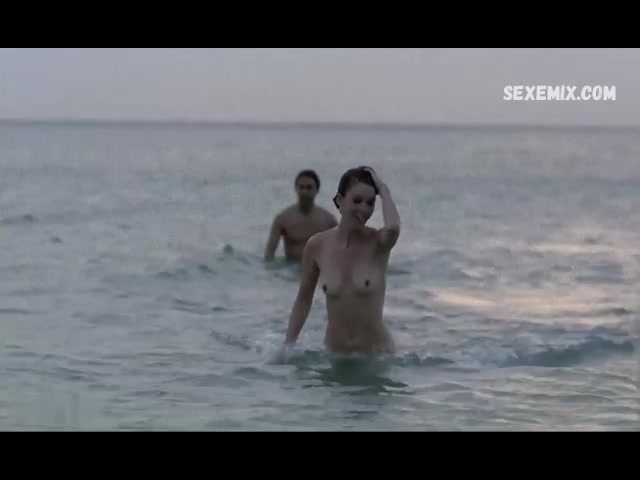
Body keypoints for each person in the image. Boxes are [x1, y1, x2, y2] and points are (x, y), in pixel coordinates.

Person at [276, 166, 401, 361]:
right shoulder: (317, 245)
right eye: (357, 200)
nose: (364, 209)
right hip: (335, 357)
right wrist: (288, 345)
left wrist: (383, 190)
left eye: (370, 203)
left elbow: (393, 227)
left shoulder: (378, 243)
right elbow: (303, 299)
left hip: (376, 357)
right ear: (341, 200)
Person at [264, 169, 337, 263]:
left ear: (317, 190)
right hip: (290, 268)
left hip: (317, 269)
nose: (304, 192)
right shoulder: (283, 219)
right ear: (296, 189)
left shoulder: (328, 221)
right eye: (301, 187)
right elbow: (268, 256)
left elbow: (340, 253)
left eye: (309, 187)